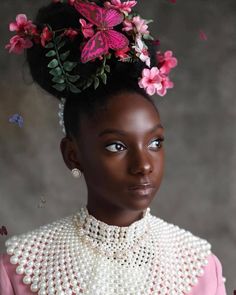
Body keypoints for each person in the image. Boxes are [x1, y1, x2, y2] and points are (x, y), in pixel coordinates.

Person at [0, 0, 227, 294]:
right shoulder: (20, 269)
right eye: (116, 146)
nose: (143, 165)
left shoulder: (199, 266)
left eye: (155, 142)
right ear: (72, 154)